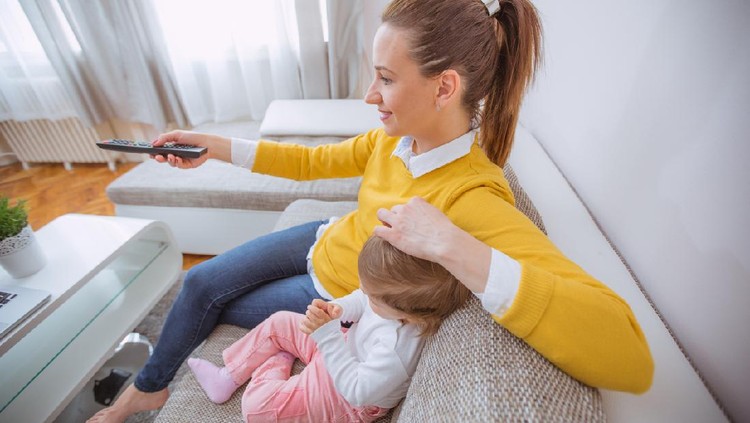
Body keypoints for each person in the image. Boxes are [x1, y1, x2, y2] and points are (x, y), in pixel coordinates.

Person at [89, 0, 653, 421]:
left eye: (385, 78)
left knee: (209, 298)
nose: (369, 94)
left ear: (444, 87)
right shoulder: (396, 138)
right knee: (200, 283)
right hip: (322, 239)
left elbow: (630, 354)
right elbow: (310, 162)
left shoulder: (473, 198)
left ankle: (143, 390)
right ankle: (151, 385)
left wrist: (451, 244)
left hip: (336, 294)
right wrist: (210, 145)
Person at [186, 236, 471, 422]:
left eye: (372, 295)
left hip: (345, 396)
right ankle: (227, 377)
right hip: (343, 348)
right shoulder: (398, 305)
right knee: (280, 320)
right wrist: (338, 309)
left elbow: (356, 390)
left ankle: (277, 362)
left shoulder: (395, 352)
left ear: (408, 315)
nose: (364, 295)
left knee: (257, 410)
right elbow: (361, 300)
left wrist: (327, 335)